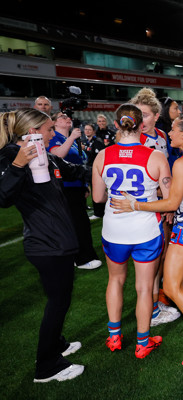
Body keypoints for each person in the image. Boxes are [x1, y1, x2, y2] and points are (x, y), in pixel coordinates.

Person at [111, 114, 183, 364]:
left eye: (172, 129)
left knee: (171, 287)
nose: (168, 133)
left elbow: (172, 202)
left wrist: (135, 204)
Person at [0, 108, 86, 382]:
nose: (53, 134)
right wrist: (18, 164)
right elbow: (2, 197)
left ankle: (56, 343)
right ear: (33, 132)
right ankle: (47, 366)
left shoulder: (45, 154)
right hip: (46, 244)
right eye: (49, 130)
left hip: (57, 239)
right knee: (58, 302)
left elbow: (72, 170)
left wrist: (103, 165)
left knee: (60, 297)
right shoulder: (11, 156)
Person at [92, 103, 172, 358]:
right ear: (141, 125)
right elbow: (169, 200)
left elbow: (97, 198)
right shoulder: (157, 157)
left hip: (114, 228)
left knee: (115, 280)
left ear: (116, 125)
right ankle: (142, 341)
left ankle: (114, 336)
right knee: (144, 287)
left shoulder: (102, 156)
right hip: (146, 229)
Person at [130, 87, 181, 326]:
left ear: (156, 115)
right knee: (149, 257)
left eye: (146, 114)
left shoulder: (161, 135)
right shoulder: (131, 139)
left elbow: (166, 170)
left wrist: (170, 199)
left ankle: (155, 300)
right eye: (137, 114)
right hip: (144, 206)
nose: (141, 120)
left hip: (163, 203)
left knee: (162, 251)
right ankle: (150, 311)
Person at [48, 112, 101, 270]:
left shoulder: (68, 138)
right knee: (79, 223)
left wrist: (84, 184)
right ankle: (83, 258)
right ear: (54, 122)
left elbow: (81, 161)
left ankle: (75, 256)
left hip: (76, 186)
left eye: (67, 117)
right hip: (65, 187)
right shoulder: (54, 137)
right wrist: (72, 138)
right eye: (62, 117)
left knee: (77, 223)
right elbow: (56, 156)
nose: (67, 119)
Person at [82, 123, 106, 219]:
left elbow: (99, 155)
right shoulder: (88, 142)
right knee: (93, 190)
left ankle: (99, 213)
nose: (87, 131)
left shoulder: (97, 141)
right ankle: (100, 212)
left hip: (95, 169)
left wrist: (86, 149)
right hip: (89, 169)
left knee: (97, 191)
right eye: (86, 129)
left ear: (94, 131)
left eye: (89, 130)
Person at [156, 96, 182, 168]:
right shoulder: (159, 131)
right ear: (165, 110)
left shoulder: (170, 126)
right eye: (175, 108)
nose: (179, 111)